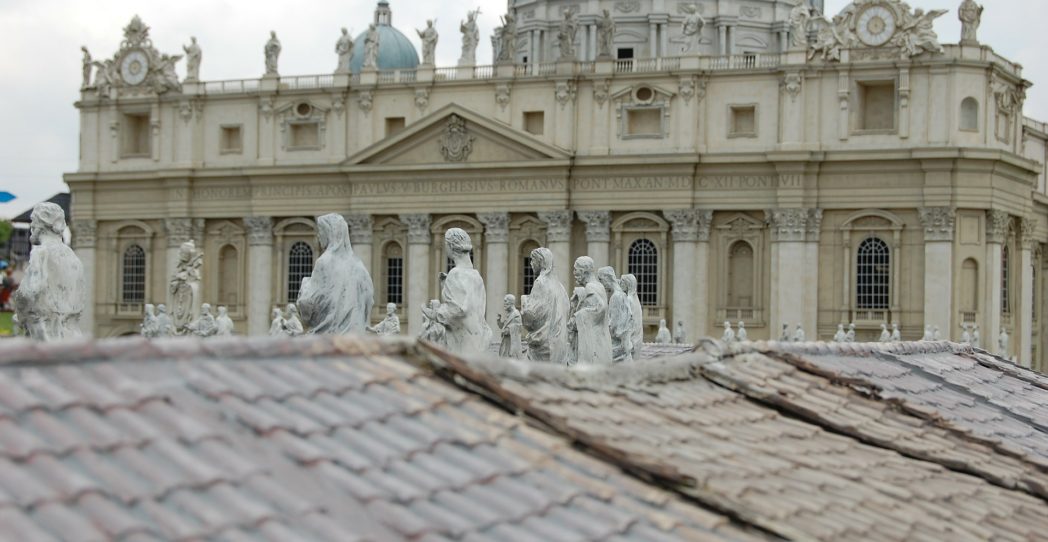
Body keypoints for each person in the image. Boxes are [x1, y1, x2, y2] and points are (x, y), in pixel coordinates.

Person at [11, 203, 85, 341]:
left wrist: (20, 315)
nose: (32, 226)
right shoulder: (73, 258)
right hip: (73, 334)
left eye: (33, 221)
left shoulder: (41, 252)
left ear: (41, 224)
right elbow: (80, 300)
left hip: (47, 334)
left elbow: (28, 293)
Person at [296, 213, 374, 334]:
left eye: (320, 231)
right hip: (356, 336)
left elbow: (310, 308)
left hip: (329, 336)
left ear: (329, 233)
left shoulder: (324, 262)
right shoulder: (358, 265)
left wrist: (305, 285)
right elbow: (369, 300)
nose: (318, 236)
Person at [434, 229, 492, 355]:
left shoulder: (455, 274)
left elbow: (459, 310)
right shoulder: (476, 275)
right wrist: (446, 287)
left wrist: (436, 313)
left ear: (450, 246)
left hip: (462, 340)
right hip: (478, 336)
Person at [522, 248, 570, 363]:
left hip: (543, 344)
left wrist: (524, 303)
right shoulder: (560, 286)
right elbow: (567, 310)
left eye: (533, 260)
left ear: (540, 261)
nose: (531, 263)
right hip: (559, 342)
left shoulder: (540, 282)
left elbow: (532, 317)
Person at [568, 256, 612, 364]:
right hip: (600, 342)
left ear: (583, 271)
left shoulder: (591, 287)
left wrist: (574, 317)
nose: (573, 273)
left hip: (594, 345)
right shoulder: (597, 286)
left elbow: (596, 312)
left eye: (575, 269)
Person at [599, 267, 633, 363]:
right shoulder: (620, 294)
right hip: (622, 347)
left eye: (601, 279)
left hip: (618, 350)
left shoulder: (616, 297)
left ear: (607, 277)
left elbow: (615, 327)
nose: (601, 283)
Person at [620, 274, 643, 358]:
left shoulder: (628, 299)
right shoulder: (634, 298)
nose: (620, 284)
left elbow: (627, 321)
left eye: (622, 282)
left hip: (631, 338)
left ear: (628, 284)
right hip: (636, 337)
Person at [498, 294, 523, 359]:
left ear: (511, 302)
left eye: (506, 301)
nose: (504, 303)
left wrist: (507, 330)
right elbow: (503, 327)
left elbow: (518, 328)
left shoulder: (516, 314)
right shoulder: (508, 314)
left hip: (512, 344)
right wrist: (499, 321)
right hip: (506, 343)